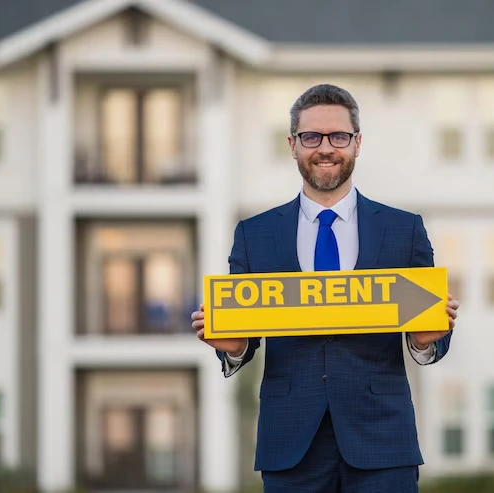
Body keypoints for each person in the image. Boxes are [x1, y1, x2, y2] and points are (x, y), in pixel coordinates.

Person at [191, 83, 459, 493]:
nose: (326, 148)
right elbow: (245, 336)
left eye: (339, 137)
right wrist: (235, 347)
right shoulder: (254, 235)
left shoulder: (404, 230)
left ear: (357, 143)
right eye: (311, 137)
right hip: (290, 441)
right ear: (293, 144)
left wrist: (425, 343)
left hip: (383, 442)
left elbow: (426, 336)